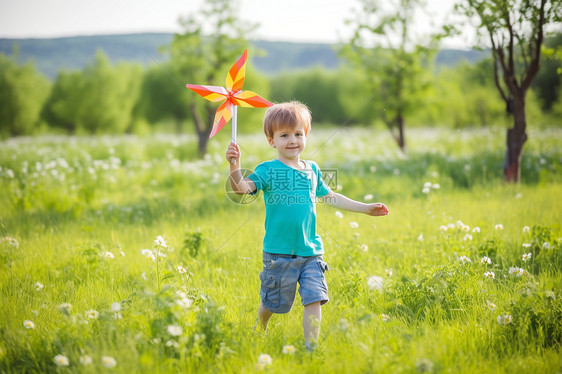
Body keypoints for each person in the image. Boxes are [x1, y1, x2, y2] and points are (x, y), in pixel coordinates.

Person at [225, 101, 389, 351]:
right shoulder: (268, 170)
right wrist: (234, 167)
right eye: (284, 135)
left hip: (311, 251)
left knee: (315, 297)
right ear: (272, 141)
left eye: (298, 134)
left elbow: (331, 196)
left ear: (306, 135)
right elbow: (241, 189)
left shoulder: (312, 169)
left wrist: (365, 208)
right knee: (272, 303)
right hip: (279, 253)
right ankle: (260, 324)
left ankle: (310, 348)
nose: (293, 140)